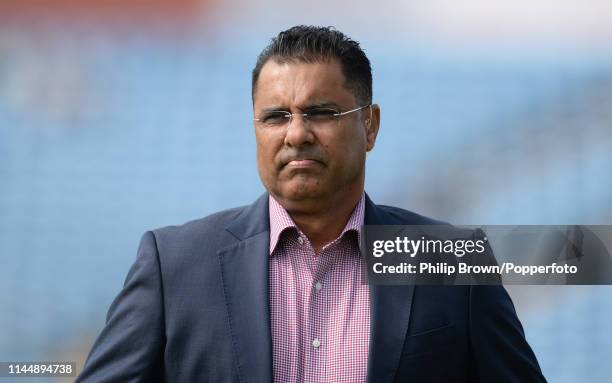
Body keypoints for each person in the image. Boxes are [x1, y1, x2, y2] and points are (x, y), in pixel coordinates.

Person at [77, 25, 546, 382]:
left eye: (321, 112)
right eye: (276, 116)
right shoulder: (174, 266)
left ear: (370, 126)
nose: (296, 134)